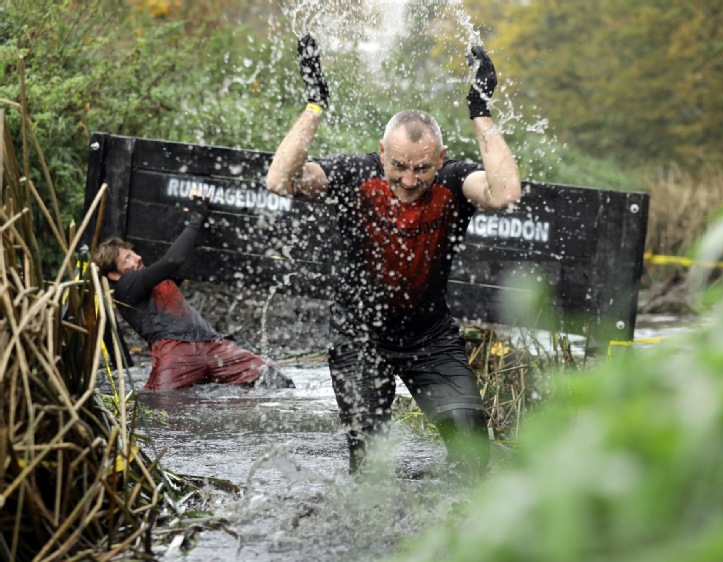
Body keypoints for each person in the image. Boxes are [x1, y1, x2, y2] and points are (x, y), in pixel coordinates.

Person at [266, 34, 521, 474]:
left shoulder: (453, 182)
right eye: (398, 166)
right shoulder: (353, 175)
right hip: (359, 338)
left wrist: (480, 111)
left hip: (430, 337)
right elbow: (279, 180)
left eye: (421, 167)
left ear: (439, 159)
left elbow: (505, 194)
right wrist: (314, 104)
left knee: (472, 452)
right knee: (371, 466)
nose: (407, 179)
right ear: (382, 153)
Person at [93, 193, 294, 392]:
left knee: (275, 379)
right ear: (113, 274)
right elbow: (173, 259)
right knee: (165, 410)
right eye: (127, 258)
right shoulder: (125, 286)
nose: (137, 258)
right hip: (175, 352)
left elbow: (177, 254)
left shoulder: (153, 279)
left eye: (133, 252)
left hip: (212, 344)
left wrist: (188, 217)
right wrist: (196, 218)